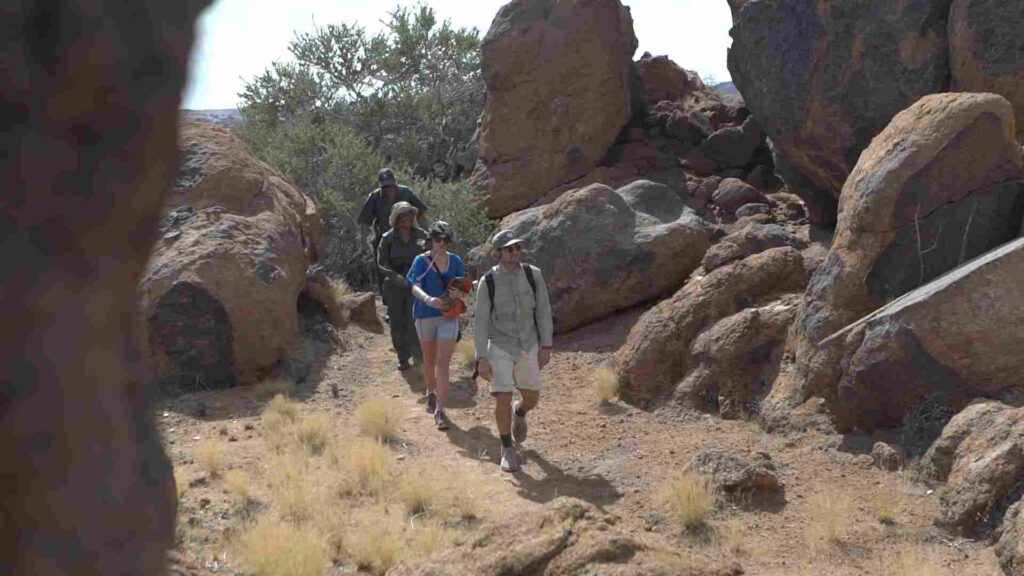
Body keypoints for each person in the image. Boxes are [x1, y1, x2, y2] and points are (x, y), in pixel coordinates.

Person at [473, 230, 553, 473]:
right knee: (502, 397)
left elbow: (543, 311)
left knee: (532, 397)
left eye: (518, 247)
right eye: (510, 249)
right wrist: (481, 357)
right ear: (498, 253)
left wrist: (546, 345)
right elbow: (481, 321)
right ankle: (507, 448)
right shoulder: (488, 282)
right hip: (500, 346)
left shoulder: (533, 275)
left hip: (528, 345)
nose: (515, 252)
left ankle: (521, 412)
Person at [407, 221, 467, 430]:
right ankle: (430, 392)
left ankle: (440, 409)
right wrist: (427, 299)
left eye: (445, 240)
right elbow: (414, 285)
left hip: (449, 316)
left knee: (443, 363)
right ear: (431, 239)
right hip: (425, 315)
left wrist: (459, 293)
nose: (442, 243)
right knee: (429, 359)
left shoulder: (456, 261)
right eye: (438, 239)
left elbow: (464, 285)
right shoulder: (421, 261)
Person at [357, 168, 428, 311]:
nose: (388, 189)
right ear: (380, 185)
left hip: (407, 236)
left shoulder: (406, 193)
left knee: (413, 267)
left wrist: (427, 233)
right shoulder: (375, 197)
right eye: (385, 186)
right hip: (384, 238)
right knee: (385, 271)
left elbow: (420, 214)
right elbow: (365, 221)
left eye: (390, 185)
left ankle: (414, 301)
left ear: (395, 183)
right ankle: (390, 306)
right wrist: (363, 242)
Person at [377, 202, 428, 371]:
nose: (409, 218)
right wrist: (396, 277)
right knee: (397, 321)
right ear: (397, 219)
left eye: (411, 214)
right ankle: (402, 357)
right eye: (404, 215)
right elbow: (382, 263)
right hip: (394, 285)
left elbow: (430, 257)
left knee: (415, 319)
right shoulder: (388, 238)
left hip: (416, 284)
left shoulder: (421, 235)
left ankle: (419, 355)